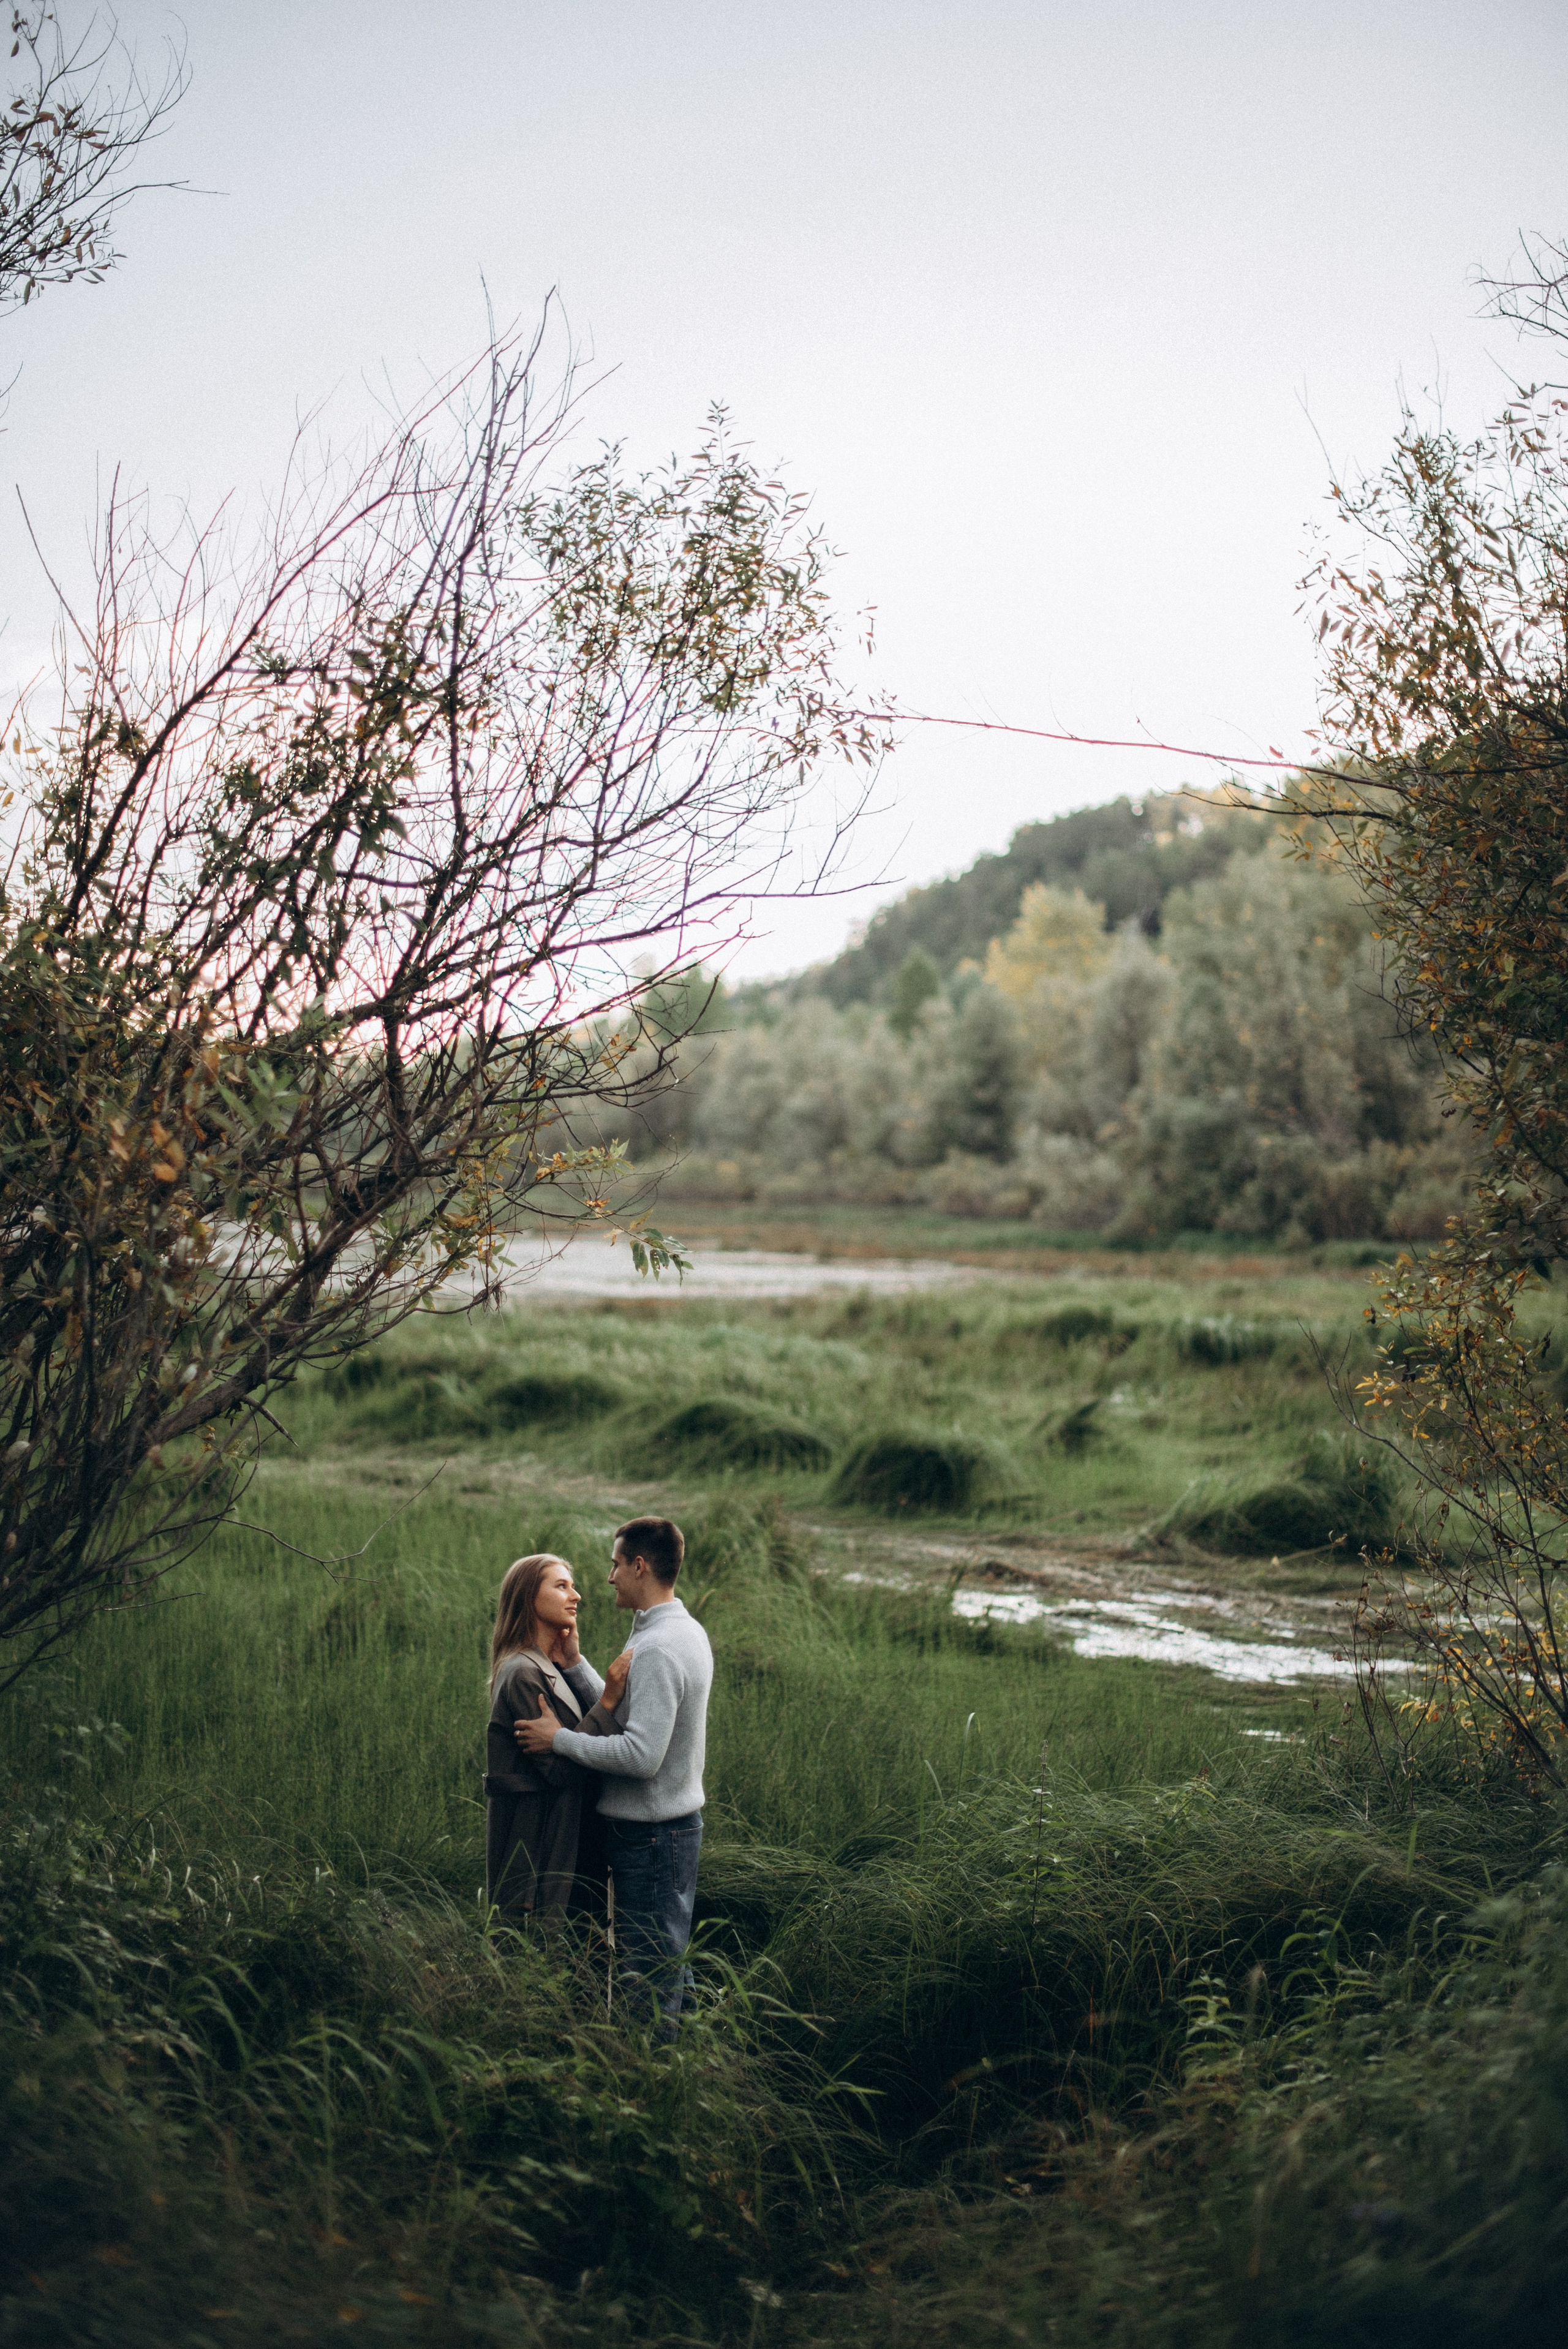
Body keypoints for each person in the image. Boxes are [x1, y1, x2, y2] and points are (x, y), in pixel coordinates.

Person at [516, 1516, 711, 2036]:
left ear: (640, 1565)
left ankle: (649, 2085)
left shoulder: (661, 1647)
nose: (608, 1578)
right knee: (668, 1969)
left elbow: (641, 1754)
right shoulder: (676, 1629)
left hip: (652, 1838)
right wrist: (578, 1665)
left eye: (615, 1564)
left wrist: (558, 1739)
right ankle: (688, 2075)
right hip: (668, 1833)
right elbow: (636, 1711)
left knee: (647, 1983)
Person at [484, 1553, 630, 1935]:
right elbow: (562, 1769)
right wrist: (610, 1699)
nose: (576, 1595)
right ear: (529, 1597)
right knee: (546, 1959)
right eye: (561, 1586)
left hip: (576, 1837)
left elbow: (577, 1743)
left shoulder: (551, 1667)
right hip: (544, 1846)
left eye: (573, 1585)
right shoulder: (522, 1674)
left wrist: (575, 1664)